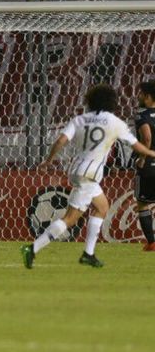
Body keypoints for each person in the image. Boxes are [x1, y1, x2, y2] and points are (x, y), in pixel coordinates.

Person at [21, 84, 155, 269]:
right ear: (112, 102)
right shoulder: (114, 122)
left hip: (77, 169)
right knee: (69, 219)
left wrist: (49, 160)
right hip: (90, 175)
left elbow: (61, 140)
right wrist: (151, 153)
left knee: (102, 207)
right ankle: (33, 248)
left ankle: (88, 254)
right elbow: (136, 145)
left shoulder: (80, 119)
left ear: (90, 101)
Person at [134, 80, 155, 250]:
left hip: (150, 165)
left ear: (148, 97)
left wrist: (142, 157)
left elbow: (147, 138)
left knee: (143, 203)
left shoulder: (142, 114)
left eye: (141, 94)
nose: (139, 96)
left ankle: (151, 242)